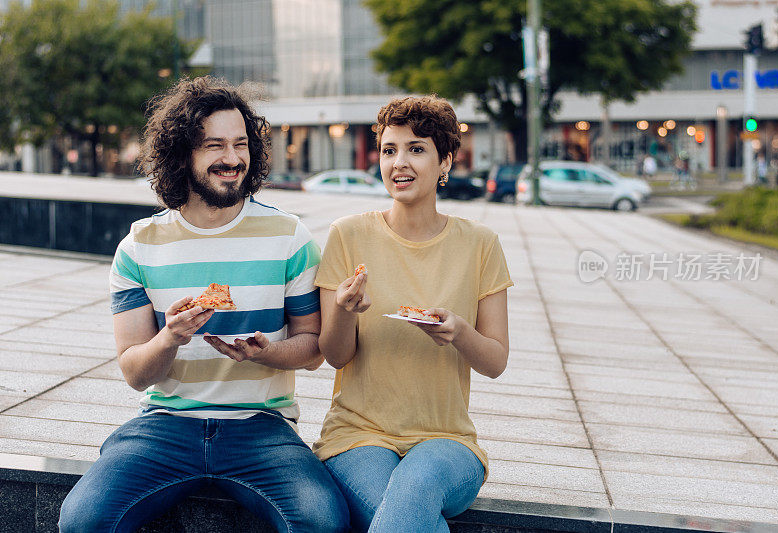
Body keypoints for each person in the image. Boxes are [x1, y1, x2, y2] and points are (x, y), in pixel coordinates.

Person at [59, 76, 348, 533]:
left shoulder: (290, 237)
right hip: (166, 424)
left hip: (262, 427)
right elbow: (136, 373)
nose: (232, 159)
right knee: (82, 520)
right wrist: (170, 337)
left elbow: (313, 348)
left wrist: (267, 352)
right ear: (182, 154)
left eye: (240, 144)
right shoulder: (139, 247)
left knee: (322, 519)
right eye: (215, 145)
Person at [313, 95, 513, 532]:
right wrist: (345, 312)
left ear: (446, 161)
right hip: (357, 436)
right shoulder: (347, 235)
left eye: (416, 148)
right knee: (403, 507)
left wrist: (460, 331)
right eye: (389, 150)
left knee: (415, 488)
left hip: (448, 440)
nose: (399, 162)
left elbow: (495, 361)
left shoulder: (480, 244)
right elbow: (335, 355)